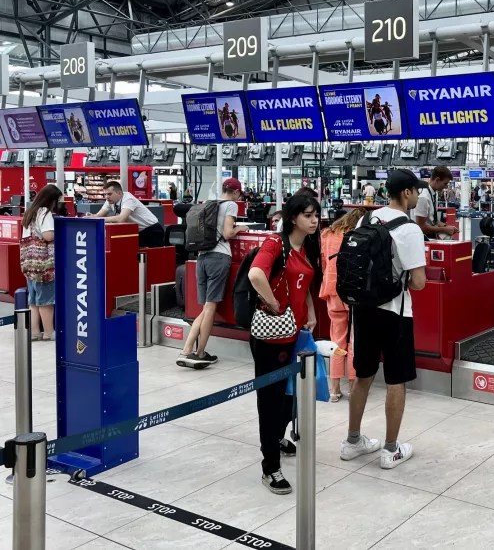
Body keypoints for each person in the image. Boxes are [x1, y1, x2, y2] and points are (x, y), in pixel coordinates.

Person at [342, 169, 426, 470]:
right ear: (406, 193)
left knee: (363, 374)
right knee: (395, 379)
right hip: (395, 312)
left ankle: (352, 441)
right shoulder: (409, 229)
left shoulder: (367, 219)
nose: (418, 195)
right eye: (417, 190)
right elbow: (418, 282)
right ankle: (391, 449)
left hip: (363, 309)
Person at [247, 195, 321, 494]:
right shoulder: (275, 244)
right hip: (273, 335)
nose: (314, 220)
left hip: (298, 333)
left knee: (291, 394)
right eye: (308, 215)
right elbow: (255, 274)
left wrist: (311, 312)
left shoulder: (308, 246)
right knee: (271, 398)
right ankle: (270, 467)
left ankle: (277, 437)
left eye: (316, 214)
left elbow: (304, 284)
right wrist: (274, 302)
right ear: (293, 218)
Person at [177, 178, 249, 369]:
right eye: (239, 194)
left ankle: (187, 349)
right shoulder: (231, 205)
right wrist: (239, 228)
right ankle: (198, 353)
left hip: (201, 258)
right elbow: (227, 233)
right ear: (235, 192)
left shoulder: (209, 203)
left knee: (205, 308)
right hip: (219, 257)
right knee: (210, 308)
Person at [320, 207, 364, 401]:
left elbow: (323, 263)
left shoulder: (327, 234)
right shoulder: (359, 235)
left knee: (337, 339)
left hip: (332, 290)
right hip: (354, 292)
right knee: (355, 340)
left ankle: (335, 390)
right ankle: (354, 388)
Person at [21, 184, 62, 341]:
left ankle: (35, 332)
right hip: (43, 264)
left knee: (33, 300)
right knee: (46, 301)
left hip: (29, 262)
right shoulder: (44, 212)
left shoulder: (30, 211)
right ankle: (48, 333)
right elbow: (48, 236)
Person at [89, 181, 165, 247]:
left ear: (119, 193)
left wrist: (99, 219)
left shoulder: (128, 199)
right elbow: (98, 215)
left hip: (152, 230)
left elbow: (122, 218)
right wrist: (90, 216)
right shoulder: (110, 201)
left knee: (154, 259)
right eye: (105, 194)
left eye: (109, 194)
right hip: (137, 231)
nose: (107, 197)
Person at [412, 166, 458, 240]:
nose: (446, 187)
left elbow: (433, 220)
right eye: (445, 183)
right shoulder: (423, 197)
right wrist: (444, 230)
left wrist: (445, 226)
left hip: (431, 236)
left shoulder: (434, 194)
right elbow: (421, 226)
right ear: (437, 180)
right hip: (422, 238)